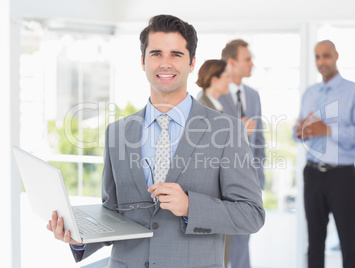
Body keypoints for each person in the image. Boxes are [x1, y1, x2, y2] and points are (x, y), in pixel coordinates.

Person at [46, 14, 265, 268]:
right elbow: (114, 211)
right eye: (156, 53)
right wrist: (78, 235)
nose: (165, 63)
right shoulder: (118, 132)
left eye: (176, 55)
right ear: (143, 61)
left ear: (192, 63)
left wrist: (190, 206)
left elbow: (252, 214)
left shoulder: (226, 130)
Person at [294, 40, 355, 268]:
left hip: (342, 176)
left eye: (326, 56)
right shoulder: (310, 92)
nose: (321, 62)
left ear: (336, 56)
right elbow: (297, 132)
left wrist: (327, 129)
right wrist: (302, 131)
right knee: (314, 242)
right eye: (317, 57)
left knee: (348, 241)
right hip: (313, 173)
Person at [219, 39, 266, 268]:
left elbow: (260, 140)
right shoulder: (215, 95)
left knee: (242, 243)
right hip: (222, 184)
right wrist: (239, 131)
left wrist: (260, 175)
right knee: (221, 247)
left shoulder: (254, 95)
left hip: (249, 182)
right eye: (247, 59)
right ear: (232, 62)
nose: (252, 64)